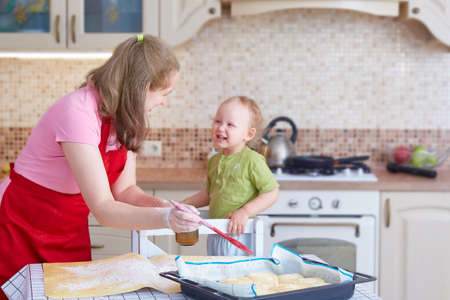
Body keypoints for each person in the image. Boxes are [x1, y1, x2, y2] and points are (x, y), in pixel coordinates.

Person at [0, 34, 200, 299]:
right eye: (163, 93)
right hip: (21, 225)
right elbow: (105, 209)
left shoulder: (127, 118)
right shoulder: (77, 112)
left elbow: (126, 191)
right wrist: (165, 220)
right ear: (140, 88)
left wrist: (163, 206)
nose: (164, 102)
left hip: (69, 229)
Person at [182, 96, 279, 256]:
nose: (220, 128)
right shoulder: (214, 161)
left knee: (238, 279)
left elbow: (271, 192)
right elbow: (209, 194)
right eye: (218, 121)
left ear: (248, 134)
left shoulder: (252, 160)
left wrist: (245, 211)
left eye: (230, 125)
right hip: (216, 233)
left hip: (240, 235)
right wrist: (185, 204)